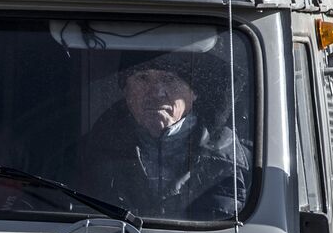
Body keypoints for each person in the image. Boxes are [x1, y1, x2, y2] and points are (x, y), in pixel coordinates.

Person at [80, 49, 250, 221]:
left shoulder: (241, 164)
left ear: (194, 92)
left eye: (170, 78)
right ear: (126, 90)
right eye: (143, 78)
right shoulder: (85, 156)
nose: (156, 92)